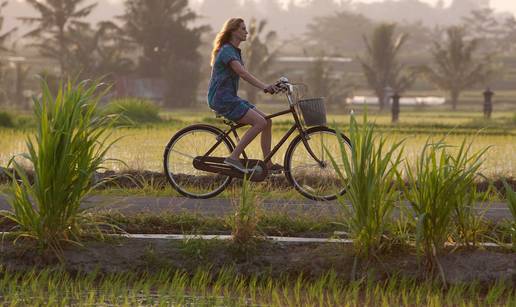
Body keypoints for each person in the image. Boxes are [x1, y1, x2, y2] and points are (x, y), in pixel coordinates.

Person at [207, 18, 282, 174]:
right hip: (222, 99)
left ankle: (267, 164)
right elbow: (242, 73)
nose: (246, 32)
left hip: (230, 98)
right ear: (233, 31)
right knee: (260, 122)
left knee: (267, 122)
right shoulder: (227, 50)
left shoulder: (233, 51)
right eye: (243, 29)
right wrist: (265, 87)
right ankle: (233, 157)